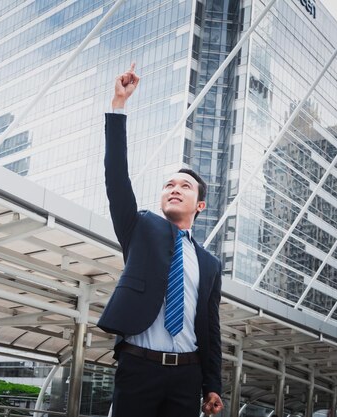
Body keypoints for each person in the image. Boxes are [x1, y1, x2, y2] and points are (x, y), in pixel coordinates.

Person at [97, 63, 224, 417]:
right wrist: (118, 105)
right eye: (169, 184)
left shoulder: (210, 264)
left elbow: (210, 330)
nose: (174, 189)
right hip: (139, 368)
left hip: (187, 375)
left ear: (199, 205)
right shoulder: (140, 228)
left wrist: (212, 384)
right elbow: (116, 178)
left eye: (185, 186)